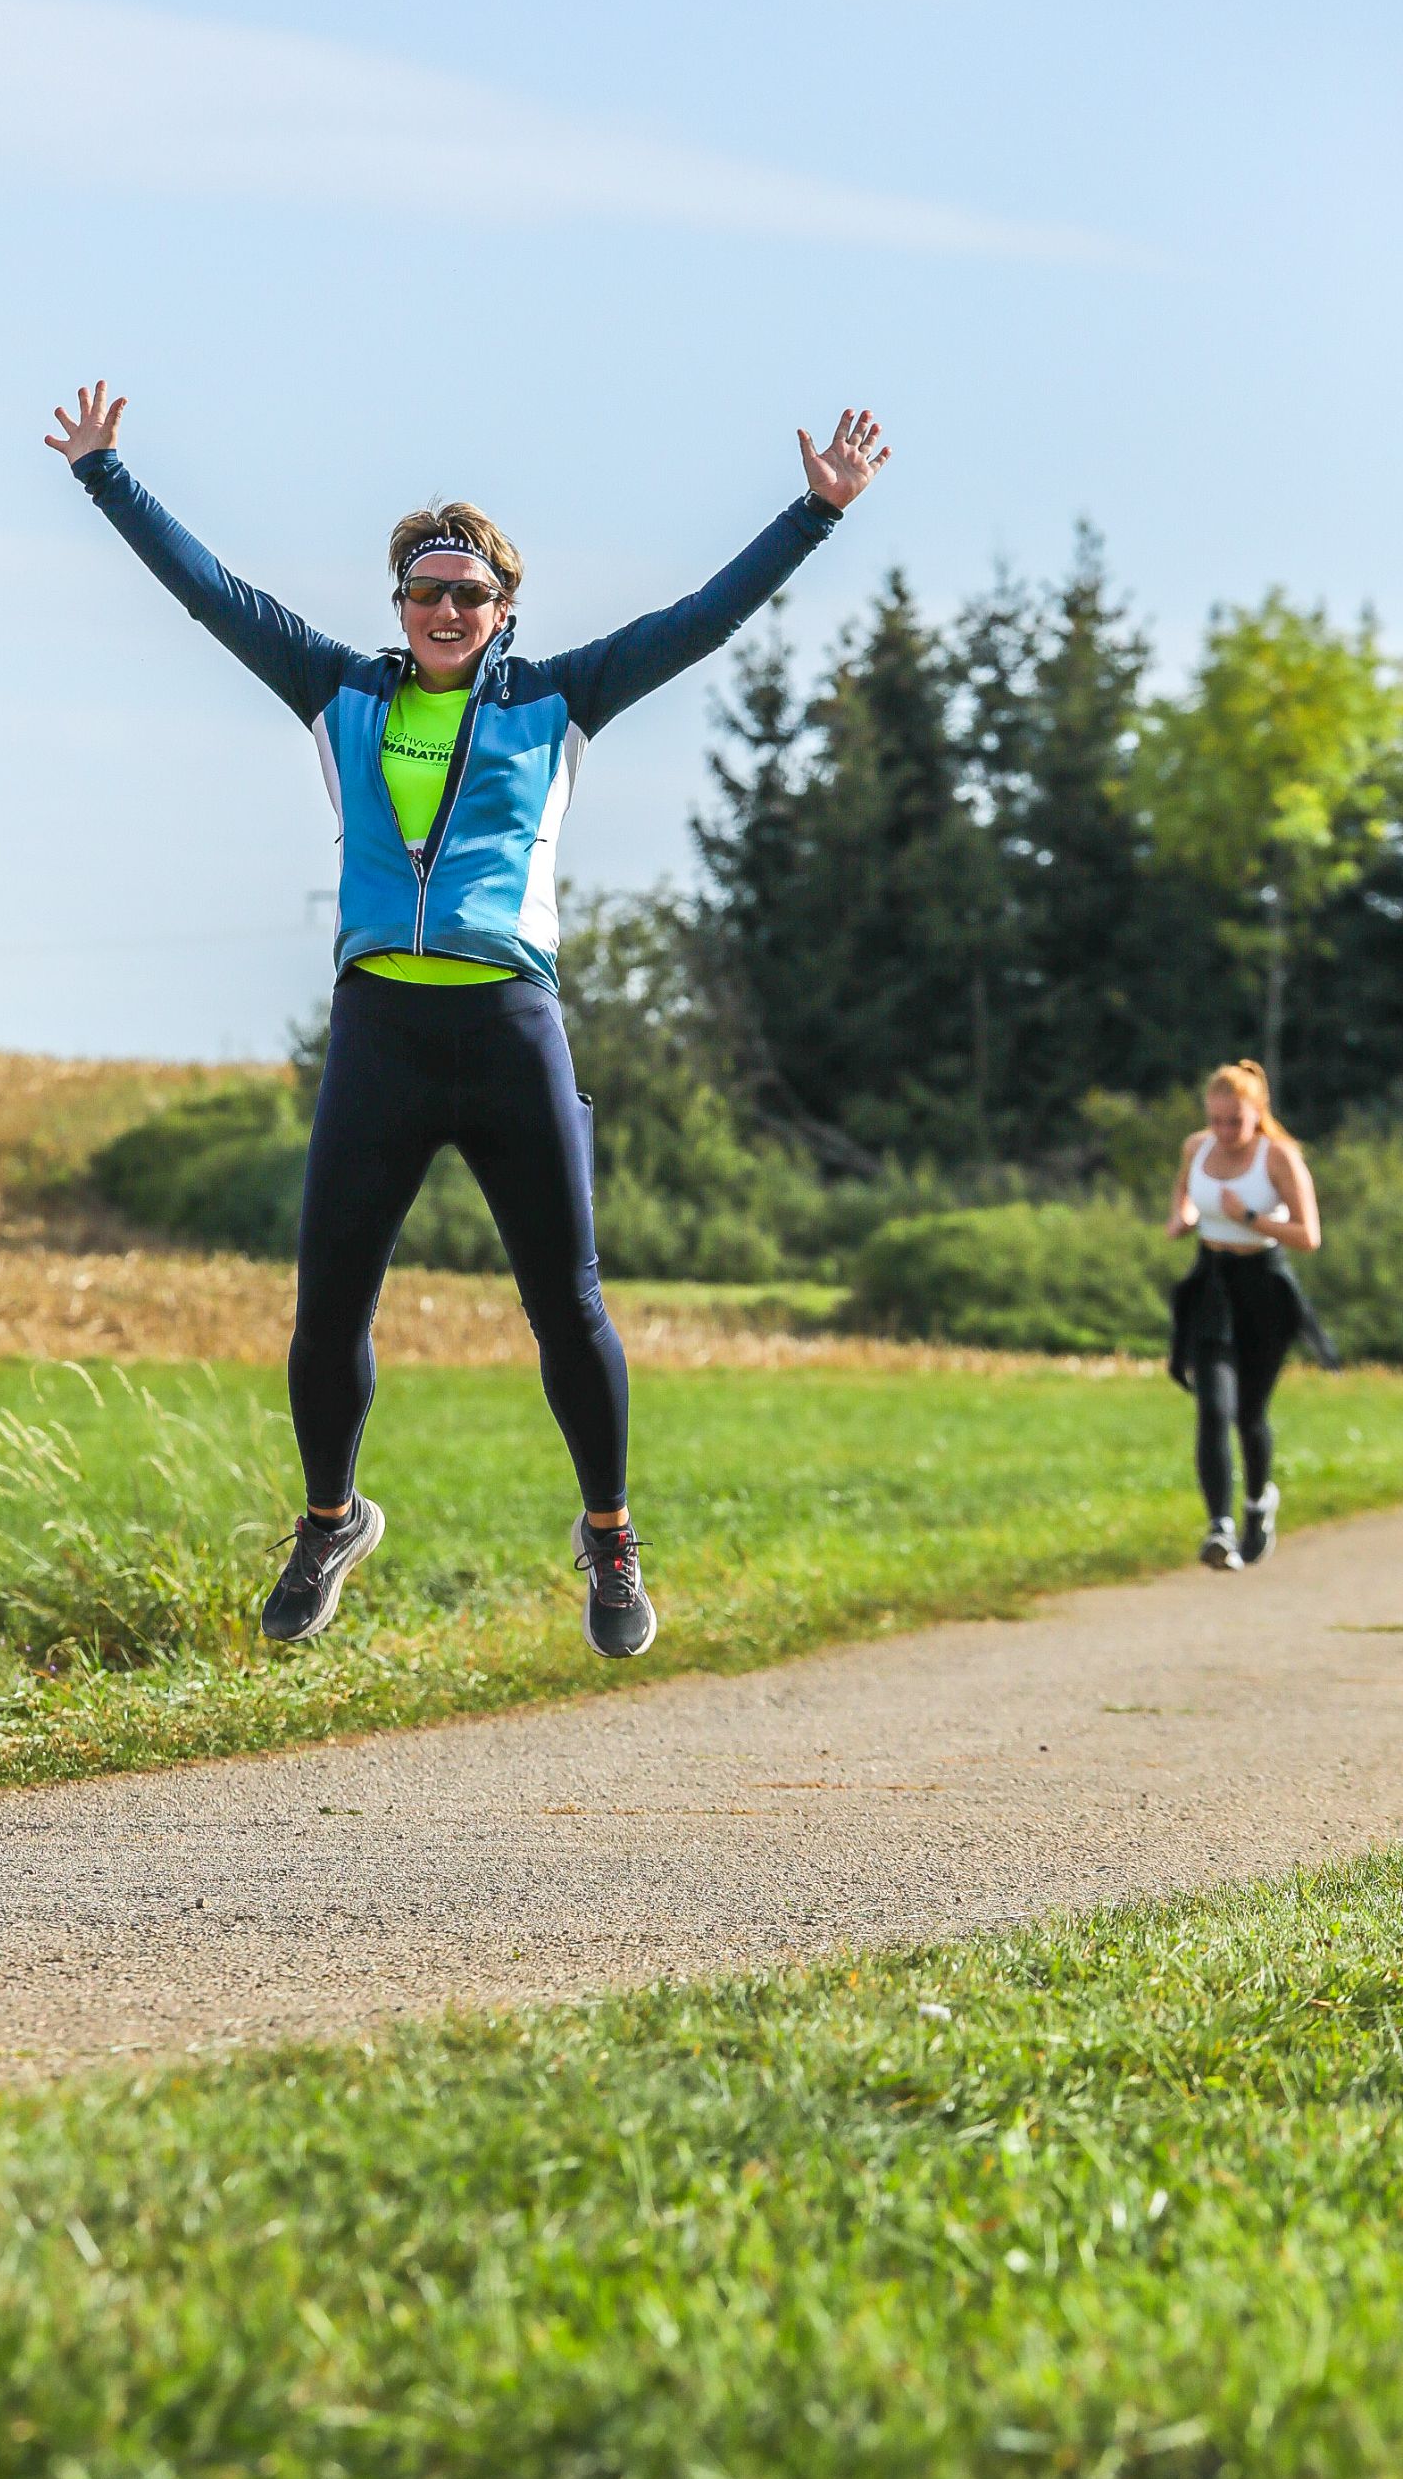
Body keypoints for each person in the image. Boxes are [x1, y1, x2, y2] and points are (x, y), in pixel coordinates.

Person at [47, 382, 889, 1651]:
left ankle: (608, 1542)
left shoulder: (557, 700)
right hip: (379, 1032)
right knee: (326, 1308)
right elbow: (209, 595)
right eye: (425, 591)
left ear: (502, 610)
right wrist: (106, 476)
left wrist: (812, 516)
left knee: (568, 1306)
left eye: (469, 595)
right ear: (397, 606)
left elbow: (700, 620)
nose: (446, 611)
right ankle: (329, 1520)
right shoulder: (339, 692)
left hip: (508, 1031)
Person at [1165, 1059, 1329, 1570]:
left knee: (1250, 1415)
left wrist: (1251, 1218)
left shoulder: (1278, 1157)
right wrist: (1184, 1220)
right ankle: (1220, 1528)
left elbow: (1309, 1236)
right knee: (1213, 1408)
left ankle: (1259, 1503)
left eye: (1235, 1121)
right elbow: (1184, 1199)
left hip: (1264, 1288)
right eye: (1216, 1121)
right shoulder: (1196, 1148)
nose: (1224, 1132)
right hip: (1212, 1283)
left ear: (1257, 1113)